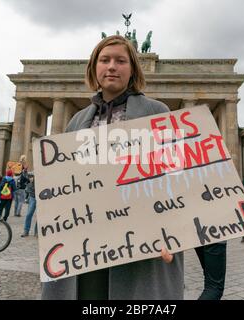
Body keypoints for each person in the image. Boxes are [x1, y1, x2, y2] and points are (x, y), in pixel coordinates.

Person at [42, 35, 183, 300]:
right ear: (94, 68)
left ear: (132, 70)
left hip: (141, 239)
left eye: (121, 61)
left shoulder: (158, 112)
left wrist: (173, 231)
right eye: (104, 60)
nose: (112, 67)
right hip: (85, 241)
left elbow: (176, 179)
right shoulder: (77, 121)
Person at [21, 172, 37, 237]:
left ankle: (37, 232)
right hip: (33, 196)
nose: (31, 178)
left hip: (42, 197)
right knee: (29, 214)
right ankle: (26, 231)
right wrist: (25, 170)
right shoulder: (32, 173)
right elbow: (25, 175)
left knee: (39, 216)